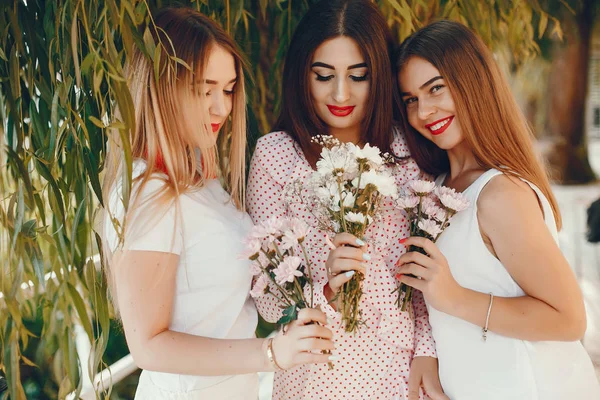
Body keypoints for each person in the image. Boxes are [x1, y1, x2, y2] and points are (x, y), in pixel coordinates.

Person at [101, 7, 334, 399]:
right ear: (160, 86)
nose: (222, 107)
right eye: (203, 89)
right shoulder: (149, 193)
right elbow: (148, 345)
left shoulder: (199, 180)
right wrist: (272, 352)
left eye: (227, 90)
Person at [247, 1, 446, 399]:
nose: (341, 93)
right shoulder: (276, 155)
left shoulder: (409, 150)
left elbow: (429, 274)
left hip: (400, 371)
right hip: (314, 376)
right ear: (302, 75)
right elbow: (267, 304)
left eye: (359, 76)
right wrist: (324, 287)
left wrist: (426, 352)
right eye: (324, 76)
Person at [396, 20, 600, 400]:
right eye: (410, 99)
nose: (424, 111)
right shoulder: (436, 189)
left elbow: (569, 318)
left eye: (436, 88)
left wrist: (453, 297)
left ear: (473, 82)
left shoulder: (500, 194)